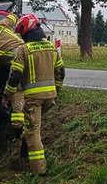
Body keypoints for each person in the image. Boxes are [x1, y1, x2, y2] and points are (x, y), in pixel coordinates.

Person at [4, 14, 65, 174]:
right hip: (50, 98)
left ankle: (39, 172)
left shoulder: (23, 50)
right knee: (31, 126)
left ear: (26, 33)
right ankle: (23, 156)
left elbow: (15, 75)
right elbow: (61, 72)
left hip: (33, 100)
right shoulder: (52, 48)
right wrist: (56, 91)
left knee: (32, 133)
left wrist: (7, 95)